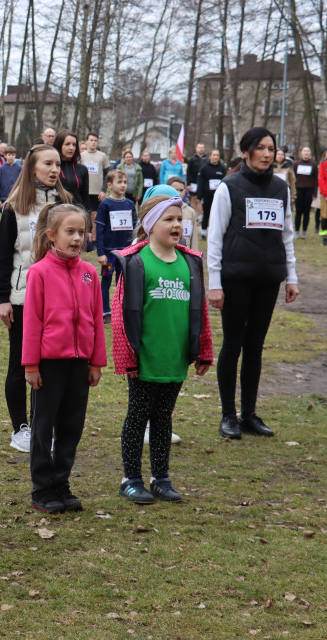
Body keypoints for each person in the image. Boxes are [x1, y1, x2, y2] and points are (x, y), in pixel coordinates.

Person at [110, 194, 213, 504]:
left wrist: (203, 351)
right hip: (144, 359)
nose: (177, 225)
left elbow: (201, 310)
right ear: (150, 224)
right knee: (138, 416)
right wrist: (128, 356)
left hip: (174, 357)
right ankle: (131, 478)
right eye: (168, 219)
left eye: (180, 219)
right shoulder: (137, 263)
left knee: (164, 418)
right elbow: (120, 315)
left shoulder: (189, 262)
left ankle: (161, 477)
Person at [207, 127, 299, 440]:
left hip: (267, 279)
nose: (266, 154)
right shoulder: (228, 187)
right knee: (233, 344)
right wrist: (214, 282)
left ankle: (249, 414)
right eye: (260, 148)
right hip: (235, 279)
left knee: (255, 347)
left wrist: (292, 277)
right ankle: (228, 415)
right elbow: (215, 237)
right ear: (246, 152)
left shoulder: (280, 187)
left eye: (270, 148)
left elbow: (287, 235)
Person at [22, 204, 105, 513]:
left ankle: (62, 482)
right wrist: (31, 365)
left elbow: (97, 318)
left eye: (81, 232)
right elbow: (31, 321)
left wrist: (96, 362)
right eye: (69, 232)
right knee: (43, 427)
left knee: (72, 425)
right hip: (47, 364)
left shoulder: (90, 273)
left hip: (79, 363)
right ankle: (42, 487)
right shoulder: (39, 273)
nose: (76, 238)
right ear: (52, 235)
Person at [0, 144, 71, 453]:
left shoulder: (66, 204)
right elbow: (2, 256)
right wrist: (3, 298)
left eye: (57, 164)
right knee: (20, 363)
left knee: (52, 366)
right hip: (22, 297)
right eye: (47, 164)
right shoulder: (14, 206)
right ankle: (20, 428)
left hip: (59, 298)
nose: (54, 169)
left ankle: (44, 423)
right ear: (32, 168)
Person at [95, 169, 138, 321]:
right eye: (119, 182)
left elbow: (135, 228)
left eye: (125, 182)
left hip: (125, 252)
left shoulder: (130, 204)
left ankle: (121, 309)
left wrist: (134, 248)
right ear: (109, 185)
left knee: (123, 281)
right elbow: (99, 230)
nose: (123, 185)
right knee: (106, 281)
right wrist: (100, 252)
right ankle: (105, 311)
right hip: (109, 253)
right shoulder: (105, 204)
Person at [197, 149, 227, 238]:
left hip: (218, 196)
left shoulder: (222, 169)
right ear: (210, 156)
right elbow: (200, 182)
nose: (215, 157)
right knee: (206, 213)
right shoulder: (204, 168)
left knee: (218, 215)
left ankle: (216, 233)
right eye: (214, 155)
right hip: (207, 196)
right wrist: (200, 195)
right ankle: (203, 232)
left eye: (217, 155)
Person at [54, 130, 87, 207]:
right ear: (59, 145)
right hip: (57, 213)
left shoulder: (82, 169)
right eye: (67, 144)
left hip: (77, 212)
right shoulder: (52, 168)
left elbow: (85, 199)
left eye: (74, 145)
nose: (71, 148)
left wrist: (87, 217)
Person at [80, 133, 110, 217]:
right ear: (86, 142)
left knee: (94, 215)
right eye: (91, 140)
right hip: (84, 191)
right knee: (83, 214)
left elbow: (107, 174)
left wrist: (103, 190)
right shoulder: (81, 156)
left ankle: (93, 231)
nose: (93, 142)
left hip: (97, 192)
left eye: (95, 141)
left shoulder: (102, 156)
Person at [165, 176, 200, 248]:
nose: (178, 193)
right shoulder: (163, 210)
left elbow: (194, 238)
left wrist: (195, 256)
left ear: (185, 192)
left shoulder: (190, 212)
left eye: (181, 190)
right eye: (175, 190)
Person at [292, 147, 317, 239]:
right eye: (304, 151)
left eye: (308, 151)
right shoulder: (296, 164)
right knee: (298, 212)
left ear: (310, 153)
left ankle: (304, 231)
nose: (306, 153)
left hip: (309, 190)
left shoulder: (313, 164)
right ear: (301, 153)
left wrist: (315, 193)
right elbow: (293, 178)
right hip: (299, 189)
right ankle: (297, 231)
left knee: (307, 212)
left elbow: (315, 179)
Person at [186, 143, 208, 210]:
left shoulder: (207, 159)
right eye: (199, 147)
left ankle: (200, 217)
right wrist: (188, 184)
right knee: (193, 199)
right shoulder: (192, 159)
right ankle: (193, 216)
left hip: (203, 182)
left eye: (202, 148)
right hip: (193, 182)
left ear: (204, 149)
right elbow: (188, 172)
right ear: (196, 148)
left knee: (201, 200)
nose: (201, 149)